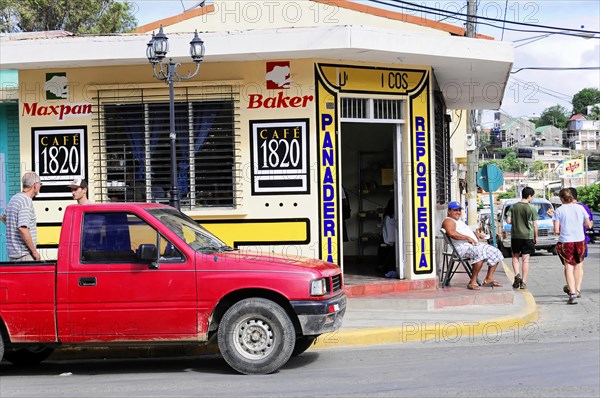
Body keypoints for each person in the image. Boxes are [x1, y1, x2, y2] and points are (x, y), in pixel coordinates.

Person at [442, 201, 504, 290]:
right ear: (449, 211)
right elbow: (452, 234)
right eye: (455, 210)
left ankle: (488, 279)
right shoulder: (448, 221)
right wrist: (467, 237)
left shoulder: (458, 221)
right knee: (479, 253)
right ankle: (472, 282)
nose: (458, 212)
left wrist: (475, 234)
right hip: (462, 248)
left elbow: (462, 231)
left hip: (472, 245)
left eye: (459, 210)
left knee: (495, 251)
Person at [553, 188, 593, 304]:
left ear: (561, 199)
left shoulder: (559, 211)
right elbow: (588, 224)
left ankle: (572, 293)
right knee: (578, 265)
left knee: (568, 267)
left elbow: (556, 230)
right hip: (580, 241)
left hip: (566, 241)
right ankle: (576, 289)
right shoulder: (580, 208)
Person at [0, 171, 42, 261]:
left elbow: (3, 217)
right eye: (40, 184)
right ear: (35, 185)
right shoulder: (25, 201)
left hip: (14, 255)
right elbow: (23, 229)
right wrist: (34, 252)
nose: (40, 186)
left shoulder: (15, 198)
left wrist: (13, 228)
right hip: (25, 256)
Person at [506, 186, 538, 290]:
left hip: (516, 236)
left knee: (515, 257)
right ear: (529, 196)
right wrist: (536, 236)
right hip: (528, 236)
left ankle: (517, 275)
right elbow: (535, 225)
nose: (533, 198)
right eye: (532, 196)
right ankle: (523, 282)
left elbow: (508, 221)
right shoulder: (532, 208)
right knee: (526, 259)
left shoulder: (513, 207)